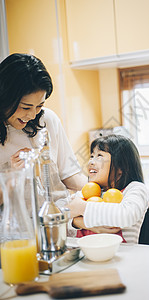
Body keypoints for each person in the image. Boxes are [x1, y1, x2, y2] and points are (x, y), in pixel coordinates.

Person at [0, 53, 87, 210]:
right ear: (5, 98)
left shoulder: (47, 119)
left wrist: (100, 192)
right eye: (25, 107)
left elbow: (69, 174)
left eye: (39, 106)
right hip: (15, 231)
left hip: (59, 221)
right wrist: (12, 175)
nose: (32, 115)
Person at [67, 134, 149, 244]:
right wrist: (79, 223)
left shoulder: (135, 189)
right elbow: (63, 219)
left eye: (99, 156)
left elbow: (126, 215)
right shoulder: (86, 192)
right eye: (92, 156)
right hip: (87, 259)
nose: (91, 162)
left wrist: (80, 208)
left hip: (123, 259)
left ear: (121, 167)